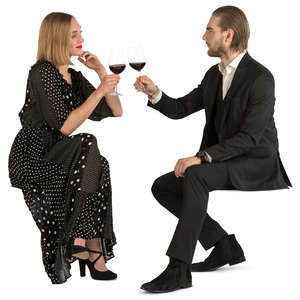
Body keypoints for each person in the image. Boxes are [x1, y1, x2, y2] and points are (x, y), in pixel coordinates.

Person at [134, 5, 292, 293]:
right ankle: (223, 245)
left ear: (228, 35)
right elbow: (181, 108)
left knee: (196, 175)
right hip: (223, 159)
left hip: (255, 161)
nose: (203, 36)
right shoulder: (213, 74)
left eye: (209, 29)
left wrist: (202, 157)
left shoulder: (260, 78)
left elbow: (251, 138)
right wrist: (154, 93)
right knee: (163, 186)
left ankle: (178, 269)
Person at [8, 12, 122, 284]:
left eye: (81, 33)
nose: (82, 39)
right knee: (87, 141)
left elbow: (116, 110)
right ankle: (80, 240)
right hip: (35, 155)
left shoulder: (74, 76)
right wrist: (98, 91)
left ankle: (92, 249)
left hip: (64, 153)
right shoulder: (42, 72)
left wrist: (100, 72)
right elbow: (65, 127)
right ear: (57, 38)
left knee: (100, 165)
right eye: (75, 35)